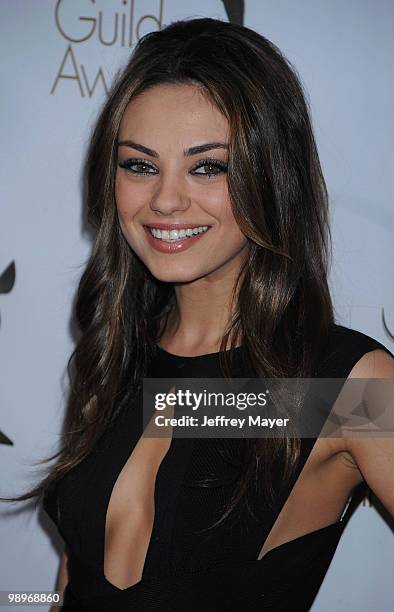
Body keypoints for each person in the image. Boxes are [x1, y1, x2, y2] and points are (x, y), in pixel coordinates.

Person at [2, 16, 394, 611]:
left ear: (272, 177)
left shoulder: (344, 390)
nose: (164, 199)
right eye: (140, 164)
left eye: (208, 165)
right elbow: (71, 581)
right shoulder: (115, 352)